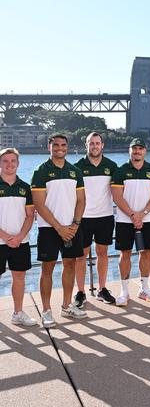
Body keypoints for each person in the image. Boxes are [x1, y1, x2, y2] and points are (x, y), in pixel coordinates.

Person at [32, 134, 87, 327]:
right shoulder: (40, 171)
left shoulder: (75, 171)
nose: (60, 148)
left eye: (63, 145)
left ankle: (66, 305)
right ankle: (46, 311)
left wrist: (75, 225)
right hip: (49, 229)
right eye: (55, 145)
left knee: (70, 265)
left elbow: (81, 200)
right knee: (47, 268)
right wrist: (59, 228)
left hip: (72, 228)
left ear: (68, 147)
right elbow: (39, 204)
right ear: (49, 147)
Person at [111, 138, 150, 306]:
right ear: (130, 150)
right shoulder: (120, 171)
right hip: (125, 221)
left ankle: (144, 288)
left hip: (147, 220)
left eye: (140, 149)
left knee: (146, 253)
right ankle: (124, 292)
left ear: (145, 151)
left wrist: (143, 214)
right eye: (134, 149)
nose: (137, 151)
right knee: (124, 253)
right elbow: (117, 196)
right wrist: (133, 215)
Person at [73, 132, 118, 306]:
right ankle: (81, 292)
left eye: (97, 143)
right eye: (91, 143)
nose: (94, 146)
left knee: (103, 253)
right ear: (86, 145)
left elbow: (119, 191)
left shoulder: (111, 166)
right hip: (83, 218)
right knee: (80, 256)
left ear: (102, 145)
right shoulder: (77, 167)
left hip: (105, 216)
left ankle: (102, 289)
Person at [0, 148, 36, 326]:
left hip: (21, 241)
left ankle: (18, 313)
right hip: (1, 241)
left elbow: (30, 215)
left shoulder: (24, 187)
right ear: (0, 163)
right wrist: (6, 237)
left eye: (13, 161)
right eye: (5, 161)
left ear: (18, 163)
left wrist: (19, 236)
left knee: (19, 277)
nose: (9, 164)